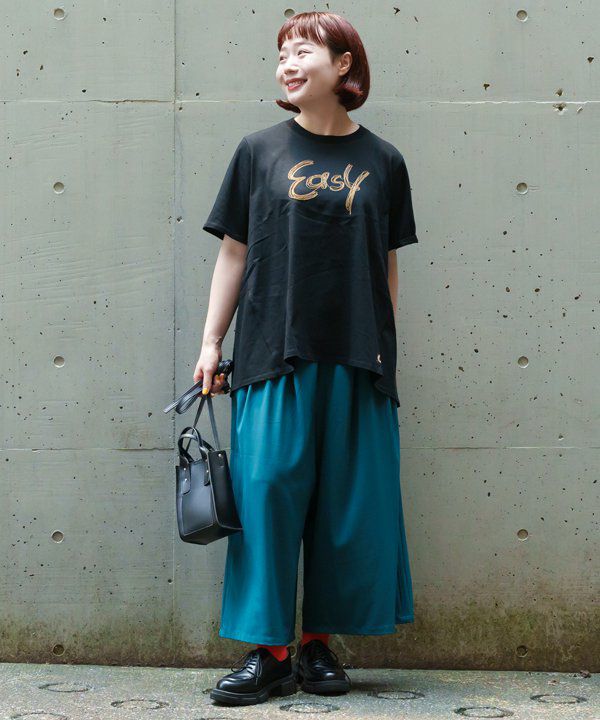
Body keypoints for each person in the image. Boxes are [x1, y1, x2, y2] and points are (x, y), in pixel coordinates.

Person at [194, 11, 418, 707]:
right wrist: (212, 343)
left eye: (303, 51)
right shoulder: (258, 151)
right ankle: (269, 654)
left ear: (344, 65)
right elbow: (233, 252)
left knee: (346, 505)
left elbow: (387, 264)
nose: (288, 64)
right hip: (272, 353)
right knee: (267, 497)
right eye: (283, 54)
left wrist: (384, 350)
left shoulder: (384, 161)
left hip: (356, 357)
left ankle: (318, 644)